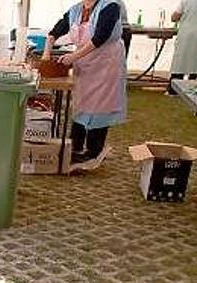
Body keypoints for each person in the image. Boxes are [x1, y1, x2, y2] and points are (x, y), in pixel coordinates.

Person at [44, 0, 128, 163]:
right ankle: (74, 146)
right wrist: (47, 51)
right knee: (81, 103)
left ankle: (93, 151)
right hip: (85, 64)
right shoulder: (75, 10)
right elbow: (56, 31)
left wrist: (73, 57)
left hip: (106, 64)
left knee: (100, 107)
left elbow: (99, 38)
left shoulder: (110, 7)